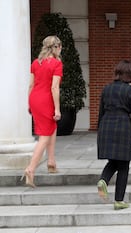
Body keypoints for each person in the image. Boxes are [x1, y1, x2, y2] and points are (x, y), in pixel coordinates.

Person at [96, 60, 131, 210]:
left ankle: (103, 180)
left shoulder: (106, 89)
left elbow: (100, 112)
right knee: (124, 165)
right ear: (130, 76)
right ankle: (119, 200)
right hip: (123, 127)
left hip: (106, 125)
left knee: (114, 160)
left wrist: (100, 130)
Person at [22, 35, 63, 188]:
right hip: (46, 100)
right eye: (60, 47)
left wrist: (29, 103)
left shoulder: (35, 63)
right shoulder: (57, 64)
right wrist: (57, 108)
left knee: (51, 128)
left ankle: (51, 163)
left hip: (35, 99)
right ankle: (30, 169)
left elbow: (31, 85)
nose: (61, 50)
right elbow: (54, 87)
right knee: (44, 136)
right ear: (56, 47)